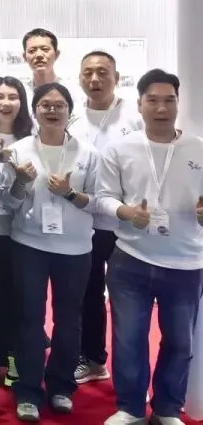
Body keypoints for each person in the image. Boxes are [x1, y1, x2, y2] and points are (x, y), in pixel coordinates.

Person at [96, 69, 203, 425]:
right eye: (153, 100)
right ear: (139, 104)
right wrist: (125, 212)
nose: (161, 108)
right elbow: (104, 197)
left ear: (177, 103)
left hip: (186, 263)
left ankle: (167, 410)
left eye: (169, 100)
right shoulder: (120, 149)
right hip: (132, 258)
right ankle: (130, 408)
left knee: (180, 343)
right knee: (128, 339)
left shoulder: (199, 148)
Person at [1, 83, 99, 422]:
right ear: (35, 111)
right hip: (29, 245)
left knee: (69, 320)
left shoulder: (88, 153)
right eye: (45, 104)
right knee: (29, 318)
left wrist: (70, 193)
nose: (53, 110)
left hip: (75, 248)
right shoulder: (18, 150)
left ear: (70, 111)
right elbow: (8, 203)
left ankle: (61, 386)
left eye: (59, 105)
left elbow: (99, 203)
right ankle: (28, 390)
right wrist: (20, 182)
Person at [69, 51, 142, 386]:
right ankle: (94, 360)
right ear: (80, 78)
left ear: (117, 77)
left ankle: (134, 375)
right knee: (90, 293)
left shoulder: (134, 118)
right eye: (88, 73)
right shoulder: (73, 119)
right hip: (88, 222)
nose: (95, 79)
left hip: (128, 224)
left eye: (102, 72)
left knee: (131, 301)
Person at [0, 76, 33, 387]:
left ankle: (13, 355)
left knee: (17, 296)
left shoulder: (31, 139)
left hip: (21, 230)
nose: (6, 102)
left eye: (13, 96)